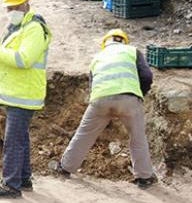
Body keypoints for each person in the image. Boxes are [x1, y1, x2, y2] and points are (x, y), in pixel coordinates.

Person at [53, 29, 157, 188]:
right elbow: (147, 76)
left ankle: (65, 168)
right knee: (138, 138)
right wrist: (138, 95)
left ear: (105, 43)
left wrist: (102, 108)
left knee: (83, 135)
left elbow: (92, 85)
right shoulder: (132, 51)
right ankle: (145, 177)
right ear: (124, 41)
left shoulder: (97, 58)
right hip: (129, 98)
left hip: (100, 99)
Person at [0, 0, 52, 198]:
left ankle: (11, 185)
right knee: (20, 138)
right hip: (17, 94)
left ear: (26, 4)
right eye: (8, 7)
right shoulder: (19, 28)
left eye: (15, 6)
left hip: (24, 94)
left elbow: (23, 59)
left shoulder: (33, 28)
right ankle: (23, 179)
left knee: (13, 141)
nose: (11, 11)